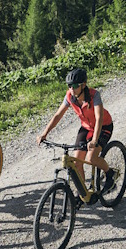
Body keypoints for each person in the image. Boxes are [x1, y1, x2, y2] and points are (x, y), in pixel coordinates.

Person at [37, 66, 115, 198]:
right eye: (69, 86)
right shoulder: (69, 96)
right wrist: (44, 133)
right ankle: (83, 194)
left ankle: (110, 174)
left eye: (74, 86)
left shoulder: (94, 95)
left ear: (83, 85)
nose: (71, 89)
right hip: (86, 127)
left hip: (103, 126)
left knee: (91, 158)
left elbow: (99, 118)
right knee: (76, 162)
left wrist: (94, 140)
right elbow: (58, 115)